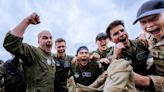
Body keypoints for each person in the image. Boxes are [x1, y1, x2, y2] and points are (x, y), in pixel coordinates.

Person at [3, 13, 56, 92]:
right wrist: (27, 21)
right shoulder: (34, 52)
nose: (49, 40)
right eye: (45, 38)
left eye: (50, 38)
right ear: (38, 41)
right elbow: (11, 44)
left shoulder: (51, 56)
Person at [133, 0, 164, 91]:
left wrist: (146, 81)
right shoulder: (150, 35)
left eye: (154, 18)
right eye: (143, 22)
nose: (149, 25)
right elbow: (146, 35)